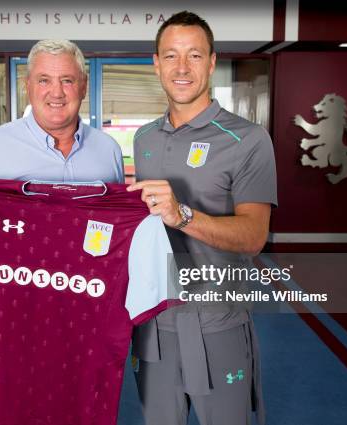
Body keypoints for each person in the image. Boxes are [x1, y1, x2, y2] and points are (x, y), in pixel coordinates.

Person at [127, 11, 277, 425]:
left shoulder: (247, 140)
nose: (181, 68)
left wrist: (183, 215)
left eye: (194, 56)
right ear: (155, 63)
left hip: (218, 320)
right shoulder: (143, 138)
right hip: (154, 323)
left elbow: (253, 236)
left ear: (212, 62)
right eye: (170, 56)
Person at [0, 39, 124, 219]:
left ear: (83, 87)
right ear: (28, 86)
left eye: (67, 80)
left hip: (92, 261)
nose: (56, 92)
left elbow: (120, 219)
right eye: (44, 80)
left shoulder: (109, 149)